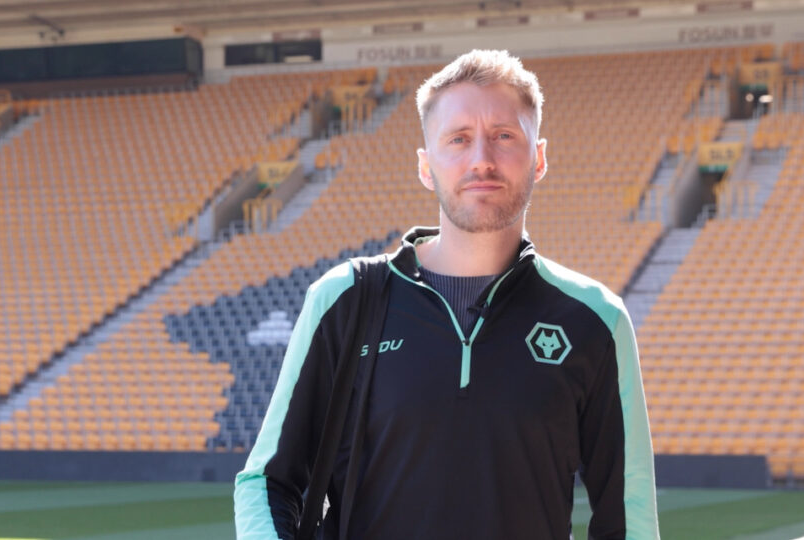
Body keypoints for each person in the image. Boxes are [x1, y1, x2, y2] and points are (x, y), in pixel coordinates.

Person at [234, 49, 660, 540]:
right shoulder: (344, 300)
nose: (482, 159)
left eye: (504, 136)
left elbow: (629, 517)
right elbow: (267, 481)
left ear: (538, 158)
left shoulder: (595, 319)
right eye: (458, 139)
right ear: (425, 166)